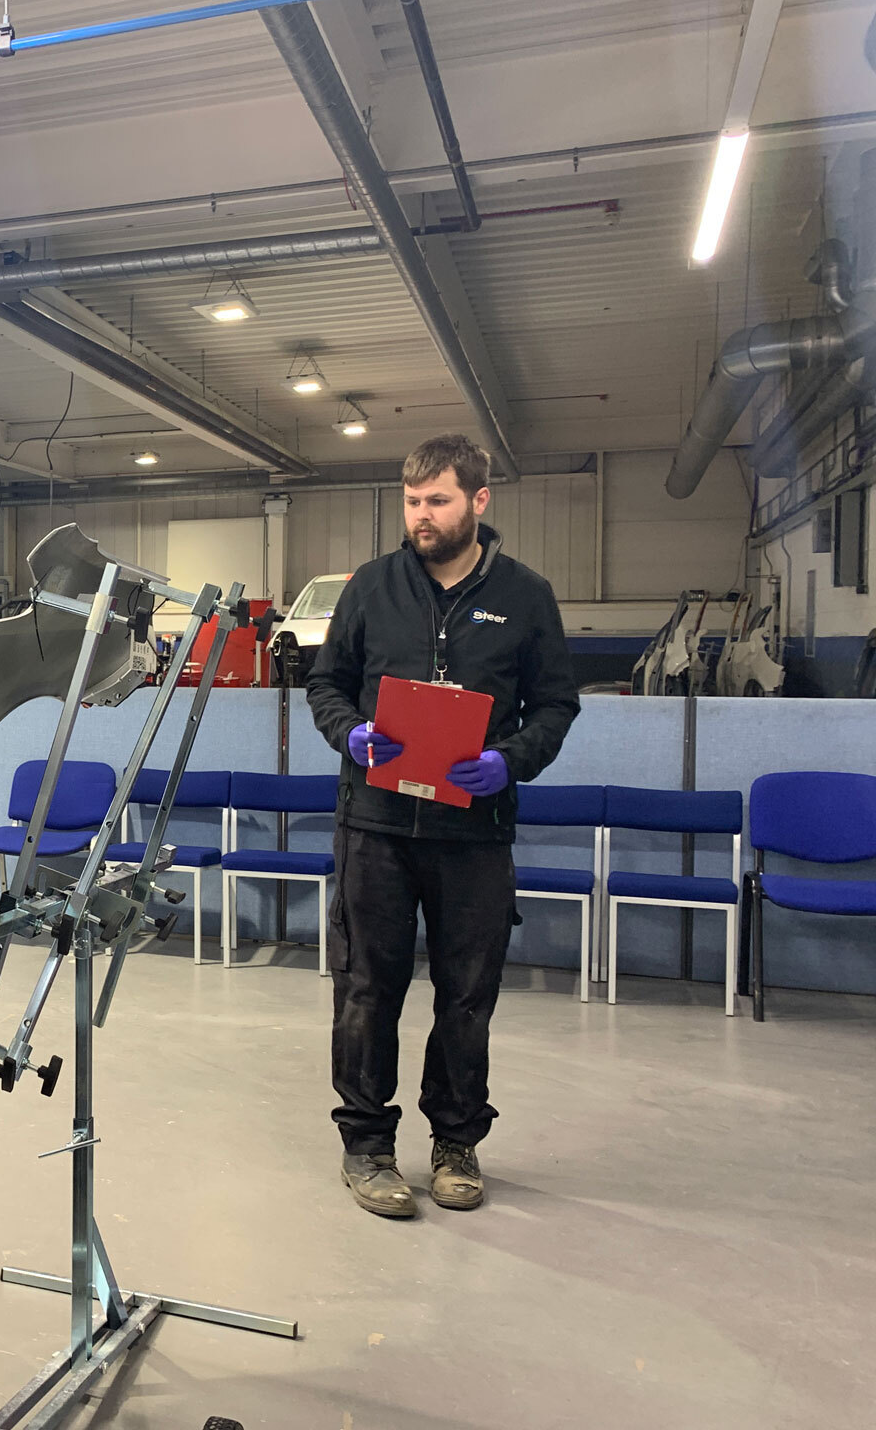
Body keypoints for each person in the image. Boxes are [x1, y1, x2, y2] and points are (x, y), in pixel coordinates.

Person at [305, 433, 579, 1218]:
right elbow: (328, 686)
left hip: (475, 833)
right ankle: (366, 1145)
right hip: (376, 828)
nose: (422, 516)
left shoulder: (526, 596)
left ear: (479, 501)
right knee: (366, 990)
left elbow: (556, 704)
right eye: (413, 501)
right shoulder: (370, 588)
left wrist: (511, 759)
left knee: (466, 996)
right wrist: (350, 733)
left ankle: (456, 1143)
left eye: (439, 501)